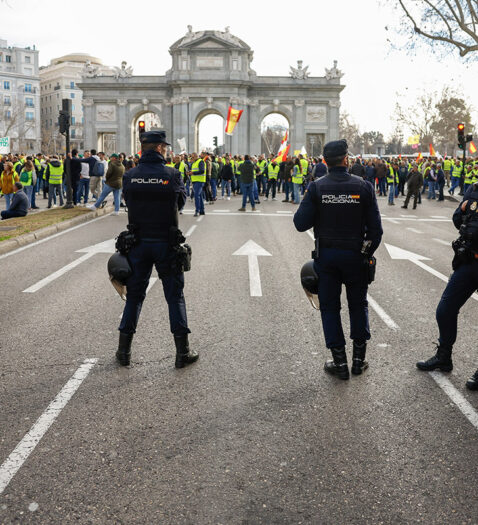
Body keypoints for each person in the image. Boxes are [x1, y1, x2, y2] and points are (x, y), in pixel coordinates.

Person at [293, 139, 383, 380]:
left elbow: (300, 224)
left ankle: (339, 363)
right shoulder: (363, 187)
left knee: (330, 308)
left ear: (324, 161)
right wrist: (365, 253)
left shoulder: (317, 187)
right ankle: (358, 361)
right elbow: (376, 232)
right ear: (346, 160)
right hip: (356, 257)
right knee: (359, 305)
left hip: (328, 258)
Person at [118, 130, 198, 369]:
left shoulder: (130, 175)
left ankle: (124, 352)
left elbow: (128, 201)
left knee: (134, 297)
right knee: (175, 298)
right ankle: (182, 353)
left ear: (143, 148)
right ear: (161, 148)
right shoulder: (172, 174)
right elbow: (181, 203)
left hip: (138, 244)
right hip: (166, 243)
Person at [416, 185, 478, 390]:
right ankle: (444, 357)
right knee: (445, 310)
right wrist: (461, 210)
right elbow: (456, 220)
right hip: (469, 261)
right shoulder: (473, 190)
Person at [189, 152, 206, 217]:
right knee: (200, 196)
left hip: (200, 180)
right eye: (191, 157)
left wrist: (193, 173)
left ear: (196, 156)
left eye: (193, 157)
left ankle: (197, 211)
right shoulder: (194, 163)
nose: (192, 158)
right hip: (196, 181)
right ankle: (202, 211)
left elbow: (202, 171)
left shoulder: (200, 161)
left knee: (196, 195)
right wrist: (190, 173)